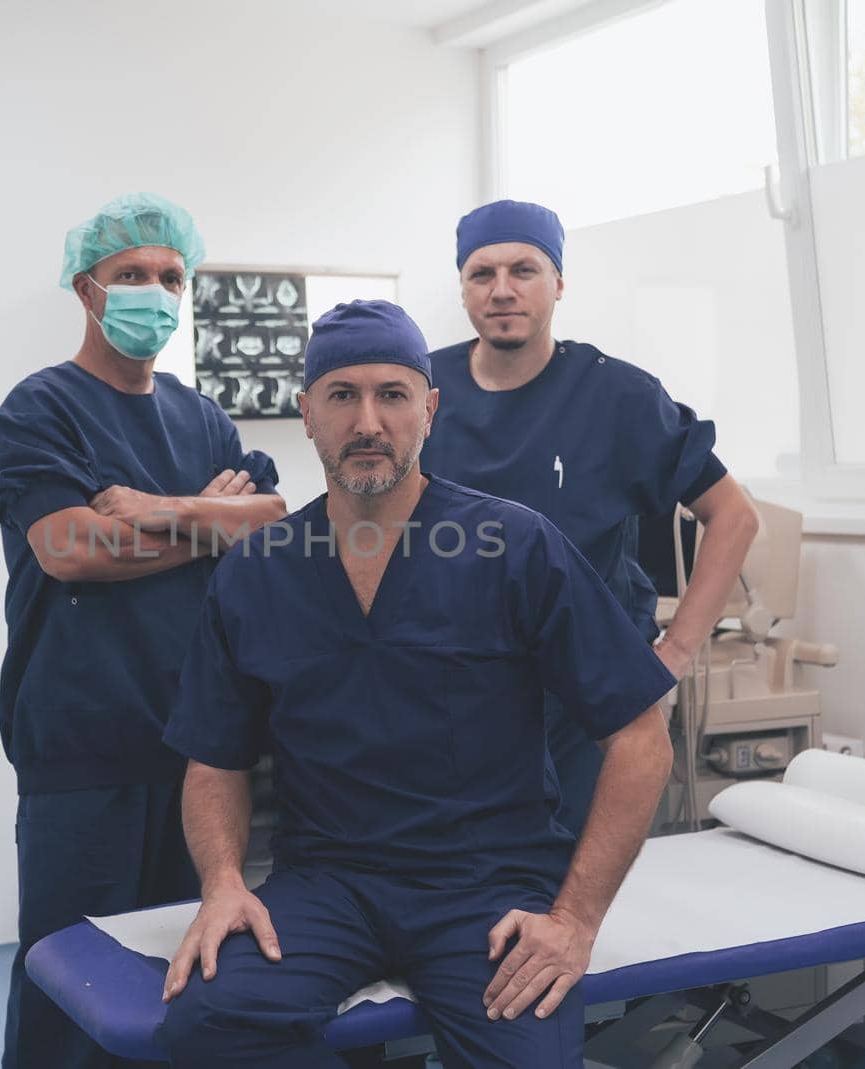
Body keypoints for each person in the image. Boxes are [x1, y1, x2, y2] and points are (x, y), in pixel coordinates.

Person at [157, 300, 674, 1067]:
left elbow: (639, 733)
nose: (368, 420)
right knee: (208, 1022)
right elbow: (214, 759)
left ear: (430, 408)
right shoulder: (256, 570)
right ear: (306, 413)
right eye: (341, 395)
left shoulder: (514, 546)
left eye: (393, 394)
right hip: (328, 884)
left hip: (487, 884)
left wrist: (574, 919)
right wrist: (225, 881)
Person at [0, 192, 287, 1069]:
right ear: (88, 289)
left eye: (169, 276)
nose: (153, 291)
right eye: (132, 276)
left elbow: (272, 524)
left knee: (177, 972)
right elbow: (71, 550)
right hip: (83, 742)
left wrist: (158, 510)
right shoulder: (40, 409)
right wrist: (207, 528)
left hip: (198, 748)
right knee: (68, 977)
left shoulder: (202, 416)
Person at [419, 200, 758, 837]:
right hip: (453, 689)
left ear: (559, 284)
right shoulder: (420, 389)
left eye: (524, 270)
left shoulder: (618, 397)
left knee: (572, 889)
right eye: (481, 274)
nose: (502, 291)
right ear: (462, 288)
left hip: (586, 694)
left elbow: (733, 517)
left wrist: (674, 653)